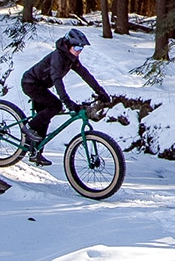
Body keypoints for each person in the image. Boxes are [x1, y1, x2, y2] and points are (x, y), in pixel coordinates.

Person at [21, 27, 110, 166]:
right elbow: (57, 80)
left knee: (45, 118)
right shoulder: (58, 57)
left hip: (41, 86)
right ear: (68, 45)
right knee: (55, 105)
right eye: (77, 47)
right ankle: (29, 127)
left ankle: (35, 152)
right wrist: (67, 102)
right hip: (31, 83)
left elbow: (85, 74)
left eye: (81, 48)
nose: (79, 50)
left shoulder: (71, 58)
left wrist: (100, 91)